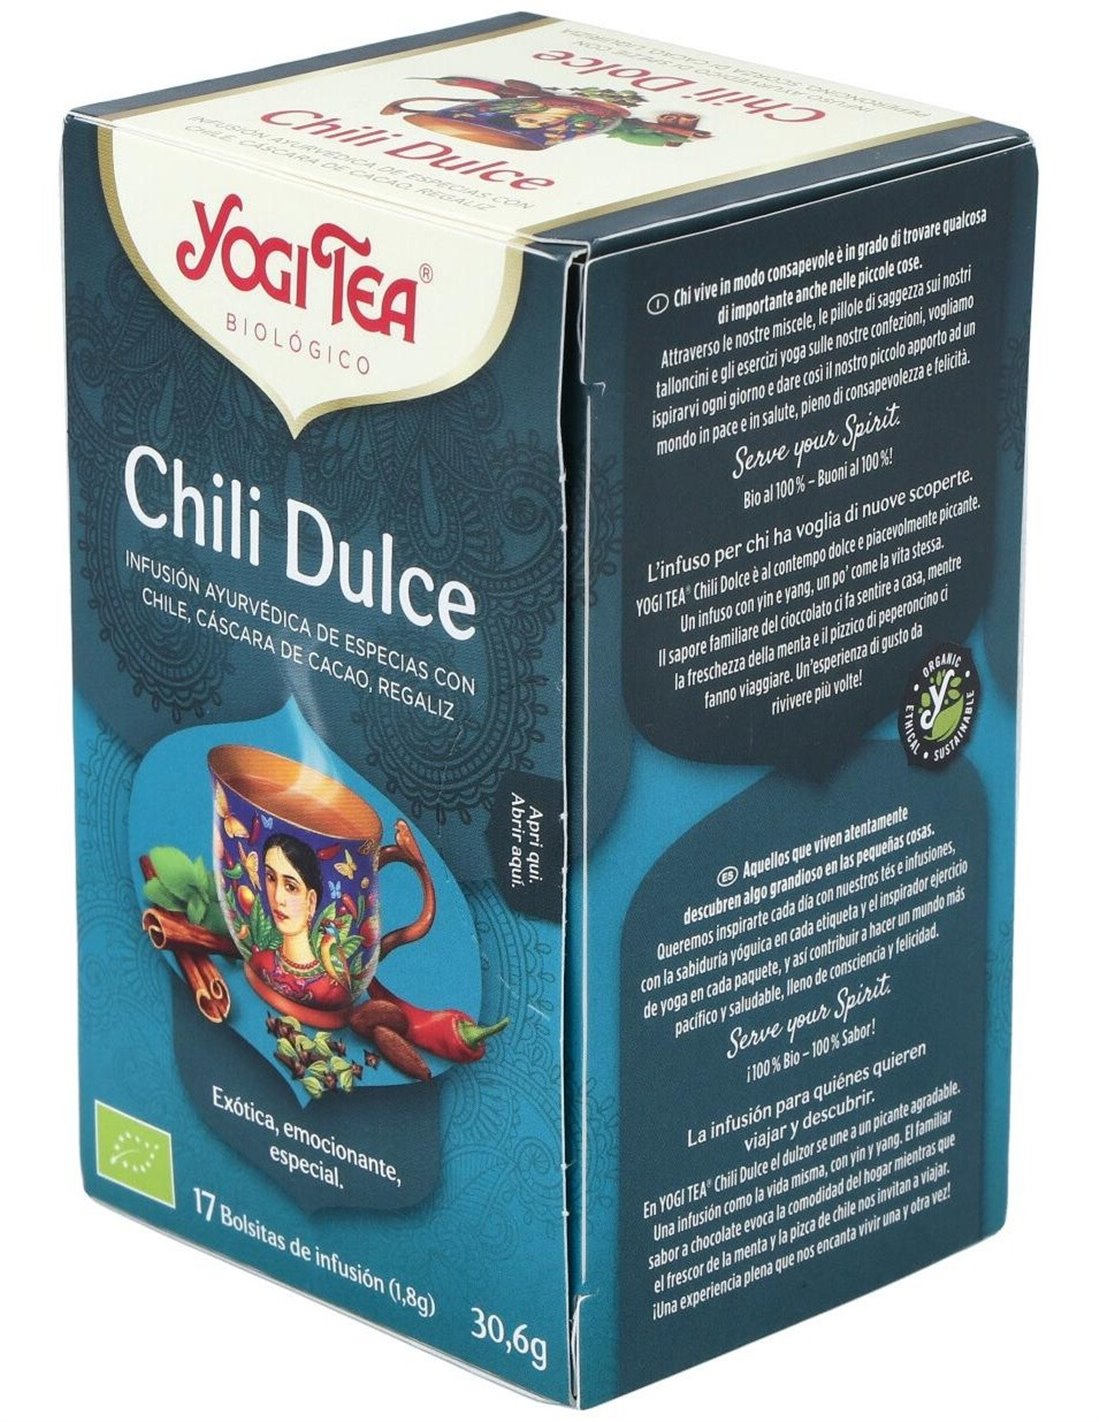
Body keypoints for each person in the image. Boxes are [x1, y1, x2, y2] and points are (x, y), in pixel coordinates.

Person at [247, 833, 351, 1011]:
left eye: (290, 887)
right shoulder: (260, 961)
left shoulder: (332, 992)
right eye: (271, 878)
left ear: (311, 901)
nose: (277, 897)